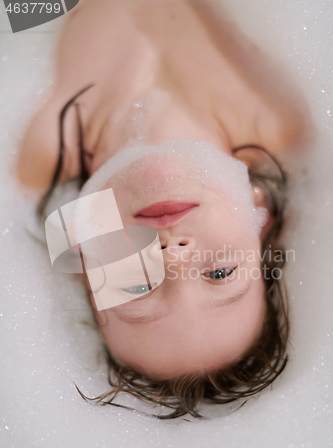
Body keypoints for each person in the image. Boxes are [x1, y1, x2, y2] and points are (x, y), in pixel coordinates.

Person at [15, 0, 309, 419]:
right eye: (220, 274)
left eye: (138, 288)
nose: (174, 258)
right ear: (260, 217)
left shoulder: (34, 148)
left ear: (81, 248)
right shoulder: (278, 113)